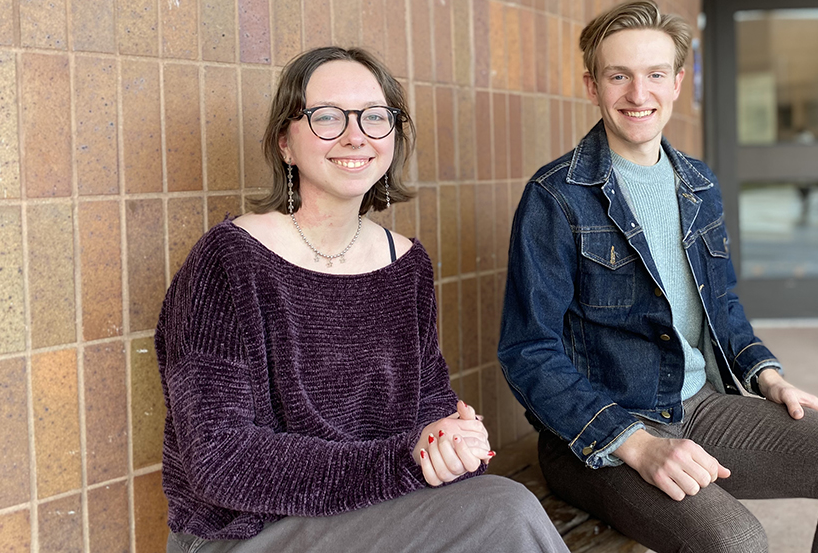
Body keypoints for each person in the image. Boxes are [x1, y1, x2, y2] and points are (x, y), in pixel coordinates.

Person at [498, 0, 818, 553]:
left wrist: (768, 376)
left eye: (655, 75)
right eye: (618, 76)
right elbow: (529, 350)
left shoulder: (697, 183)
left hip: (701, 406)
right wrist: (635, 444)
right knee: (735, 541)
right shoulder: (556, 197)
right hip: (597, 433)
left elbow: (723, 304)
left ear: (678, 84)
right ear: (592, 87)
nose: (637, 95)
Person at [156, 46, 569, 553]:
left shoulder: (406, 264)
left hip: (378, 513)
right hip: (251, 531)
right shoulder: (229, 261)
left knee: (499, 506)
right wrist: (405, 460)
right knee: (507, 514)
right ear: (285, 142)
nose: (356, 135)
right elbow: (221, 460)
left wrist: (453, 441)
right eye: (327, 117)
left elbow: (428, 406)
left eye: (375, 117)